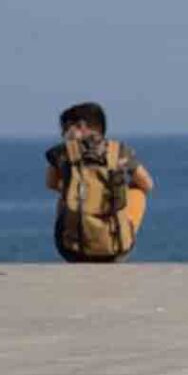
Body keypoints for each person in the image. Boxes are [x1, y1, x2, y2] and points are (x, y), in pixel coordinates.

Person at [44, 102, 154, 262]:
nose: (63, 134)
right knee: (138, 192)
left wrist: (78, 190)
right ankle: (121, 234)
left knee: (65, 195)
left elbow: (51, 184)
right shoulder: (119, 151)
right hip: (115, 250)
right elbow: (148, 184)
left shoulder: (62, 152)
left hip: (71, 251)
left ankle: (74, 236)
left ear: (81, 126)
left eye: (66, 129)